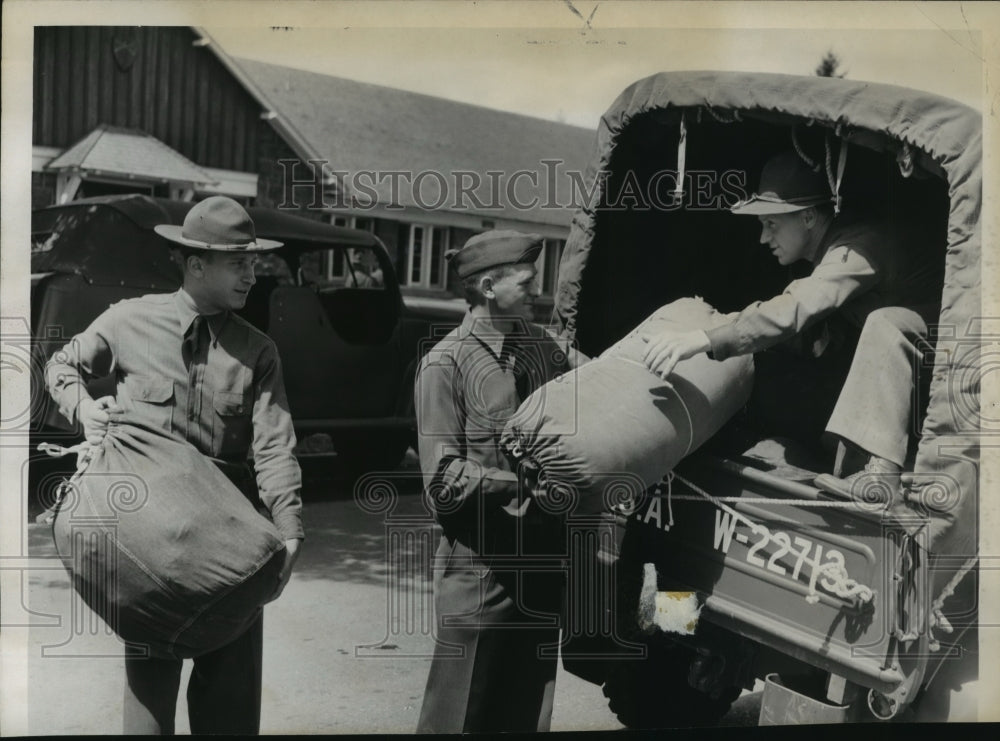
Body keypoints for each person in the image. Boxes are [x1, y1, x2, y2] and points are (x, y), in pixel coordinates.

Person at [44, 195, 304, 735]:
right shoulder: (128, 320)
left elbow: (275, 447)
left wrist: (289, 530)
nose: (252, 275)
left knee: (229, 704)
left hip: (226, 544)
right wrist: (86, 409)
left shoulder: (259, 352)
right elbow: (62, 366)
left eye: (253, 261)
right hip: (148, 542)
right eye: (239, 262)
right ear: (195, 263)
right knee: (148, 703)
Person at [642, 150, 940, 498]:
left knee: (885, 322)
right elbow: (807, 325)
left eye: (771, 224)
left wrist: (706, 338)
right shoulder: (835, 249)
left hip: (958, 348)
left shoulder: (860, 246)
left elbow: (797, 306)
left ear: (810, 217)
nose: (763, 238)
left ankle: (879, 475)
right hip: (917, 368)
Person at [414, 230, 582, 734]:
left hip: (542, 563)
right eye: (527, 282)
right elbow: (441, 482)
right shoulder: (444, 364)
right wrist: (522, 485)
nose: (538, 291)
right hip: (480, 565)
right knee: (459, 715)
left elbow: (593, 387)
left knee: (526, 712)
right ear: (489, 286)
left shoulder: (543, 347)